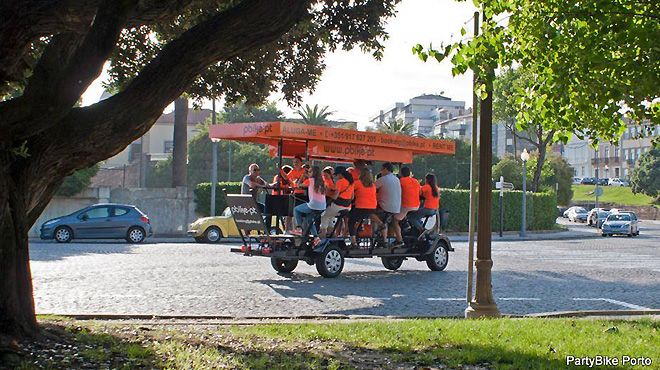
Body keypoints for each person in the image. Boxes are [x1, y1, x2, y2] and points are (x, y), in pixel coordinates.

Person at [291, 166, 326, 237]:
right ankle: (316, 237)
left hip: (313, 205)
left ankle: (299, 229)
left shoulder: (310, 180)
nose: (308, 173)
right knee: (309, 220)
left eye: (310, 172)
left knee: (296, 209)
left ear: (313, 173)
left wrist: (302, 176)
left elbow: (298, 185)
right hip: (322, 207)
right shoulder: (322, 181)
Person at [320, 166, 354, 236]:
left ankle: (323, 235)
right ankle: (331, 234)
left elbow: (335, 197)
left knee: (324, 215)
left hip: (338, 205)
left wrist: (327, 193)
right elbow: (352, 197)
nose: (336, 177)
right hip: (348, 207)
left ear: (340, 174)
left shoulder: (340, 182)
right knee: (331, 216)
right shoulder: (351, 182)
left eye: (337, 175)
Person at [374, 162, 402, 246]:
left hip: (385, 207)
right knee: (393, 221)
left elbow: (372, 188)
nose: (381, 171)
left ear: (386, 169)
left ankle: (384, 240)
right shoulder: (396, 179)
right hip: (397, 207)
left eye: (382, 169)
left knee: (372, 214)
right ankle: (400, 239)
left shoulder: (383, 179)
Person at [348, 167, 377, 246]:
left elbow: (351, 193)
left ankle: (353, 242)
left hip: (360, 207)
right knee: (359, 218)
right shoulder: (373, 185)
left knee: (351, 221)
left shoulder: (357, 183)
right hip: (372, 208)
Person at [395, 166, 421, 240]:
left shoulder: (401, 181)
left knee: (395, 220)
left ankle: (399, 239)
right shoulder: (415, 181)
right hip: (416, 206)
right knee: (406, 214)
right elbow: (420, 191)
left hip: (407, 205)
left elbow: (396, 192)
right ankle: (407, 226)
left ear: (401, 173)